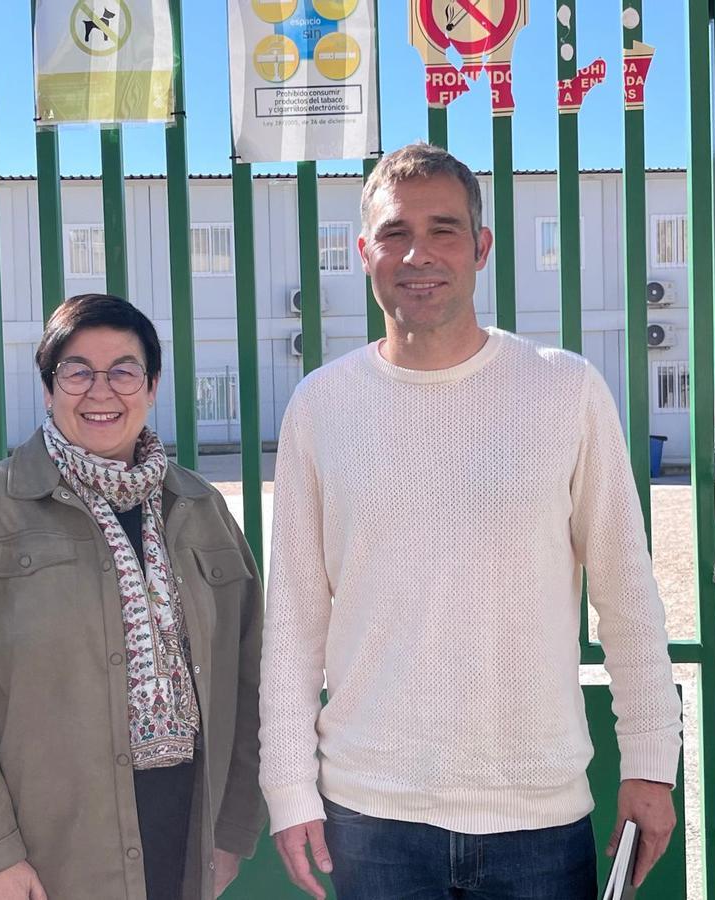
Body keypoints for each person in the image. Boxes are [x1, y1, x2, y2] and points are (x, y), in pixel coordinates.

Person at [258, 144, 682, 899]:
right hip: (371, 815)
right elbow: (293, 619)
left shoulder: (565, 391)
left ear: (481, 247)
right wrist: (288, 786)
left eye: (443, 230)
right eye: (395, 233)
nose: (417, 254)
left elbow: (627, 596)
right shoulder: (320, 407)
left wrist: (651, 763)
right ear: (364, 251)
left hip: (538, 815)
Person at [0, 293, 265, 900]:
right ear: (49, 388)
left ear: (151, 387)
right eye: (77, 372)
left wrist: (229, 830)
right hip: (40, 853)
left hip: (182, 837)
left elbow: (251, 677)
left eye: (124, 371)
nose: (101, 391)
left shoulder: (201, 509)